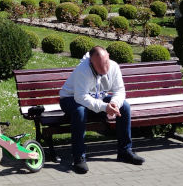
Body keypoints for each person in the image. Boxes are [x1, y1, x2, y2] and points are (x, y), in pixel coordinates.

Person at [59, 46, 144, 174]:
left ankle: (125, 151)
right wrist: (105, 107)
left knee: (124, 106)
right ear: (91, 62)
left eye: (105, 63)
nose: (104, 68)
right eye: (98, 65)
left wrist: (114, 104)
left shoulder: (114, 66)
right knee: (80, 112)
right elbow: (81, 97)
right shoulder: (83, 70)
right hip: (70, 99)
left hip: (96, 97)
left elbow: (119, 90)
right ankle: (78, 158)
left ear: (108, 56)